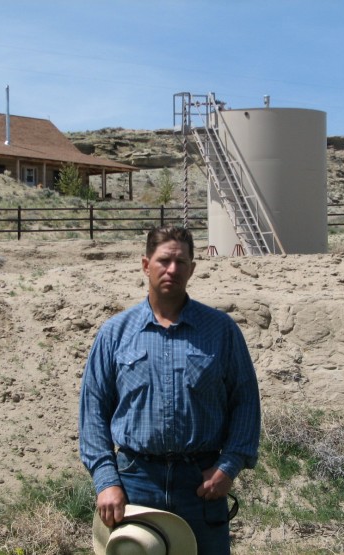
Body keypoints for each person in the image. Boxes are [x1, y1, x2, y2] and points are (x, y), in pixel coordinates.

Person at [79, 226, 261, 555]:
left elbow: (245, 401)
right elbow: (93, 410)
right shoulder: (115, 333)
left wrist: (228, 467)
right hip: (135, 482)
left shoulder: (221, 330)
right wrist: (106, 480)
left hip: (202, 484)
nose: (172, 269)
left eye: (181, 261)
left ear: (192, 268)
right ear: (146, 264)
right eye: (164, 260)